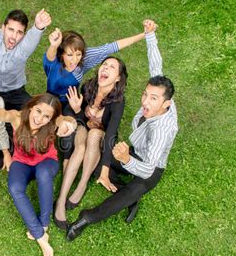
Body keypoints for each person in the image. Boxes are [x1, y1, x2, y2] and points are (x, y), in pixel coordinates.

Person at [66, 21, 179, 241]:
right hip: (134, 151)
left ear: (166, 105)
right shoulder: (161, 94)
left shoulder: (163, 130)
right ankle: (118, 185)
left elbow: (146, 169)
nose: (145, 101)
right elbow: (156, 65)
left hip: (150, 165)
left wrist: (126, 159)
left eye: (153, 99)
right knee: (99, 159)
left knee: (136, 188)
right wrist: (150, 35)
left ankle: (87, 218)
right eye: (145, 94)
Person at [0, 93, 77, 256]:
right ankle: (40, 235)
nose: (40, 119)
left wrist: (70, 124)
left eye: (46, 116)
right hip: (21, 162)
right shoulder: (18, 118)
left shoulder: (54, 121)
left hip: (46, 161)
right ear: (31, 106)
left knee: (43, 174)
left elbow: (66, 120)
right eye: (38, 111)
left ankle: (44, 223)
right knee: (15, 187)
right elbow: (4, 114)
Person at [53, 54, 129, 230]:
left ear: (117, 78)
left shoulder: (118, 101)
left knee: (94, 134)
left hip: (101, 136)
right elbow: (76, 116)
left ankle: (81, 185)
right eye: (104, 64)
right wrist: (78, 109)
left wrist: (105, 168)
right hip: (83, 128)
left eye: (112, 67)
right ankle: (61, 200)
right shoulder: (88, 86)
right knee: (79, 149)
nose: (105, 68)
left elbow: (110, 133)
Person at [0, 0, 52, 111]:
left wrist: (38, 26)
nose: (13, 36)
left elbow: (32, 37)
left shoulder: (23, 49)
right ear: (3, 28)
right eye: (11, 30)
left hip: (16, 92)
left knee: (33, 111)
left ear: (23, 35)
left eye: (19, 32)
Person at [44, 26, 146, 107]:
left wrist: (144, 34)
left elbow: (111, 47)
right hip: (49, 99)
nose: (75, 60)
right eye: (70, 55)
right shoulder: (54, 63)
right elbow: (50, 57)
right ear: (61, 54)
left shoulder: (84, 59)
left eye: (78, 54)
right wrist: (54, 45)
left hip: (71, 102)